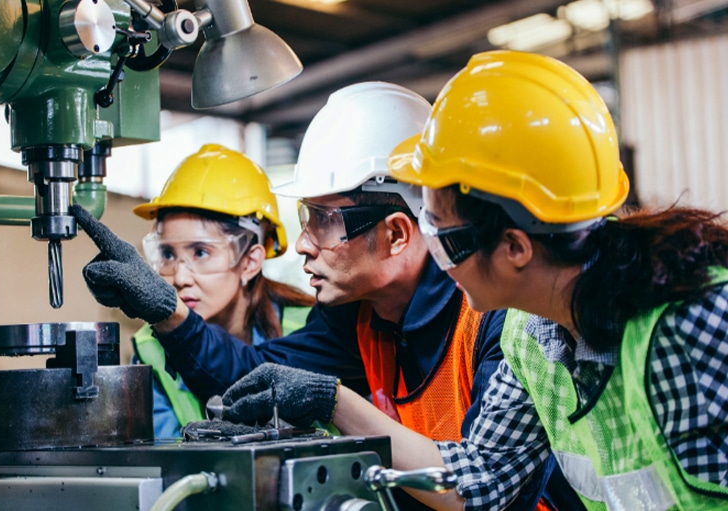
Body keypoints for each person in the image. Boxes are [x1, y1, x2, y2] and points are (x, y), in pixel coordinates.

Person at [222, 50, 728, 510]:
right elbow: (480, 480)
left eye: (439, 228)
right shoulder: (532, 338)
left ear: (515, 248)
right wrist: (332, 400)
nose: (431, 249)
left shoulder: (688, 325)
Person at [72, 82, 564, 510]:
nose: (303, 243)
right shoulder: (355, 317)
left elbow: (480, 491)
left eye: (324, 221)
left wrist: (334, 402)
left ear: (396, 234)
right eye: (306, 218)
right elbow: (252, 377)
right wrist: (168, 311)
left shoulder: (499, 321)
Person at [131, 144, 315, 438]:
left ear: (250, 261)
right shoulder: (151, 347)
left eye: (201, 253)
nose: (180, 277)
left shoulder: (308, 327)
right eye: (167, 254)